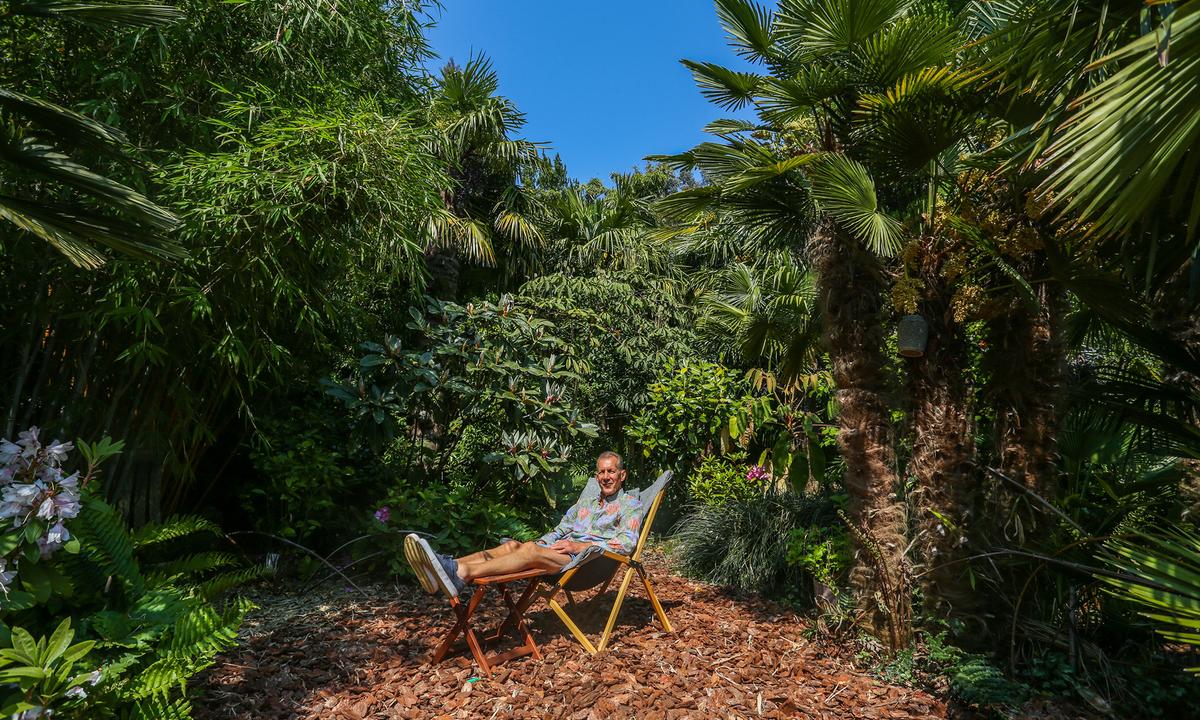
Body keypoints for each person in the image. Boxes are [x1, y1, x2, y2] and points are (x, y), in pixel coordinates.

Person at [404, 451, 642, 598]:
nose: (606, 477)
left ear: (622, 475)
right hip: (561, 553)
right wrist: (540, 544)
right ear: (597, 476)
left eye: (611, 471)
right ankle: (448, 566)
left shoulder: (630, 505)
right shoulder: (586, 503)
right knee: (513, 546)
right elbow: (561, 529)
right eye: (601, 472)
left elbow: (627, 543)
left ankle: (462, 574)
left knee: (528, 550)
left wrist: (579, 547)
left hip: (586, 564)